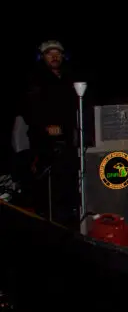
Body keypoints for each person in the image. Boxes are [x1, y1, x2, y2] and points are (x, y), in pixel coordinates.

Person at [20, 39, 83, 226]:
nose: (54, 56)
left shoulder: (70, 76)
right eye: (49, 53)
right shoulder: (35, 78)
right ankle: (47, 218)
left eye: (58, 53)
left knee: (71, 176)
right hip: (45, 139)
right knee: (49, 180)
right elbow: (28, 108)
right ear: (42, 57)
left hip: (70, 136)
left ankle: (72, 216)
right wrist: (45, 126)